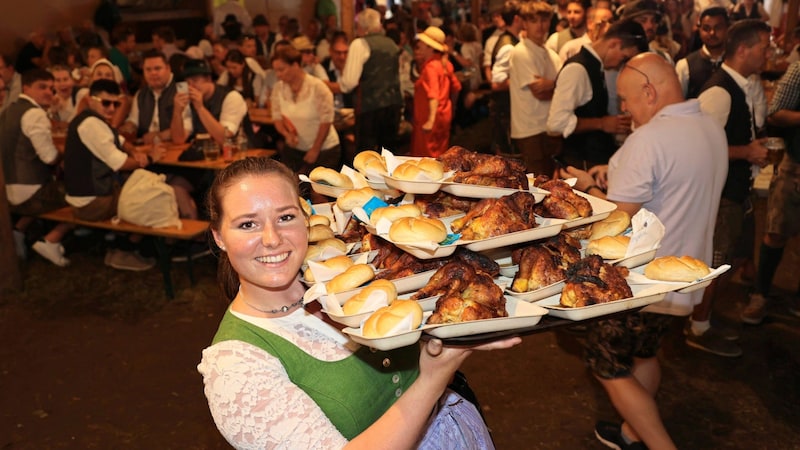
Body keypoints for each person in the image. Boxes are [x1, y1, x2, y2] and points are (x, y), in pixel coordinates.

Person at [197, 156, 521, 449]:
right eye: (248, 224)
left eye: (285, 217)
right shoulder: (234, 367)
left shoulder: (342, 275)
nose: (271, 238)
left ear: (305, 218)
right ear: (219, 236)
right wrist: (434, 376)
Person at [563, 53, 727, 450]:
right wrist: (605, 180)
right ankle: (630, 433)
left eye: (626, 98)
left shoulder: (649, 139)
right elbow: (667, 191)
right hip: (686, 273)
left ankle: (658, 444)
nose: (624, 108)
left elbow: (616, 221)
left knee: (607, 364)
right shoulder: (709, 125)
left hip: (641, 281)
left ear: (650, 92)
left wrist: (584, 191)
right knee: (644, 355)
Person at [696, 20, 770, 334]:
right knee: (715, 264)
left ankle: (705, 318)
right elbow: (700, 148)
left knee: (734, 258)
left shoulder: (739, 85)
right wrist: (747, 152)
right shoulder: (719, 91)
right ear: (743, 49)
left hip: (738, 190)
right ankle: (698, 325)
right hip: (723, 195)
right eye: (764, 48)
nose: (769, 54)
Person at [63, 79, 162, 271]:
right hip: (93, 202)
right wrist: (150, 158)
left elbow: (120, 139)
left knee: (143, 188)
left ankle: (124, 244)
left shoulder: (94, 120)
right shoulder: (91, 124)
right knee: (151, 198)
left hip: (86, 196)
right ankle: (124, 250)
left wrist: (135, 151)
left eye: (116, 104)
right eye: (105, 103)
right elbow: (120, 164)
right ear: (91, 100)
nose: (111, 108)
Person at [547, 19, 648, 169]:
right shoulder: (577, 69)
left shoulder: (597, 67)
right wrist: (601, 123)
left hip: (595, 160)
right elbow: (556, 124)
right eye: (624, 58)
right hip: (581, 163)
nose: (622, 64)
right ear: (614, 44)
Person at [1, 69, 73, 266]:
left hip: (7, 192)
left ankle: (18, 231)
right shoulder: (34, 114)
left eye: (51, 88)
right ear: (26, 88)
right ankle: (51, 240)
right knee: (84, 194)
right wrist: (63, 152)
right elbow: (49, 158)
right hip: (30, 193)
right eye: (42, 87)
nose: (49, 92)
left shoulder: (9, 111)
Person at [746, 61, 800, 321]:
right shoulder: (799, 69)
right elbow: (775, 113)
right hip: (796, 164)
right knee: (776, 230)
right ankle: (760, 294)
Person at [338, 8, 403, 153]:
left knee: (366, 155)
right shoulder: (392, 44)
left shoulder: (359, 44)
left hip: (370, 106)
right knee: (388, 154)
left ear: (362, 27)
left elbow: (349, 83)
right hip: (394, 105)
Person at [508, 0, 562, 175]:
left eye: (544, 20)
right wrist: (557, 88)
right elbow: (539, 92)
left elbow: (556, 91)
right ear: (524, 22)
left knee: (554, 182)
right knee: (538, 183)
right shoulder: (520, 52)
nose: (540, 26)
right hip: (530, 129)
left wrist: (551, 85)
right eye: (533, 21)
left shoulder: (552, 55)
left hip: (551, 126)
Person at [270, 46, 340, 175]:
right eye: (276, 71)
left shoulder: (318, 87)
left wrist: (315, 149)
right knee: (292, 187)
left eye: (281, 70)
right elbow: (277, 117)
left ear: (295, 65)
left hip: (324, 148)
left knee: (317, 194)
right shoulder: (278, 88)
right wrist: (287, 134)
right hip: (295, 148)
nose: (278, 75)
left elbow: (326, 121)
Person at [170, 58, 248, 146]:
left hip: (241, 154)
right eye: (187, 82)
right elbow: (178, 139)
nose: (191, 86)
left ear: (208, 79)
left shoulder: (231, 97)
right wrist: (177, 111)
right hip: (205, 154)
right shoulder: (188, 100)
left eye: (195, 80)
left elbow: (225, 139)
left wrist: (200, 108)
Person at [411, 27, 461, 158]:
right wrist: (453, 107)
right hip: (444, 116)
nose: (419, 45)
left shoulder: (431, 67)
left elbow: (433, 94)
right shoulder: (445, 64)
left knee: (426, 158)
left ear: (429, 47)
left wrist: (430, 120)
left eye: (421, 43)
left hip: (429, 119)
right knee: (441, 155)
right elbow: (456, 87)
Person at [674, 7, 729, 99]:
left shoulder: (737, 61)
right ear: (699, 30)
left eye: (718, 28)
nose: (712, 33)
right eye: (706, 28)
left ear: (727, 28)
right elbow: (677, 102)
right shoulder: (685, 65)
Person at [73, 58, 131, 128]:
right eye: (99, 74)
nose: (103, 78)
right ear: (92, 78)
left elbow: (112, 126)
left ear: (114, 79)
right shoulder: (86, 97)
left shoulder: (121, 100)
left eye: (108, 75)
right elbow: (77, 124)